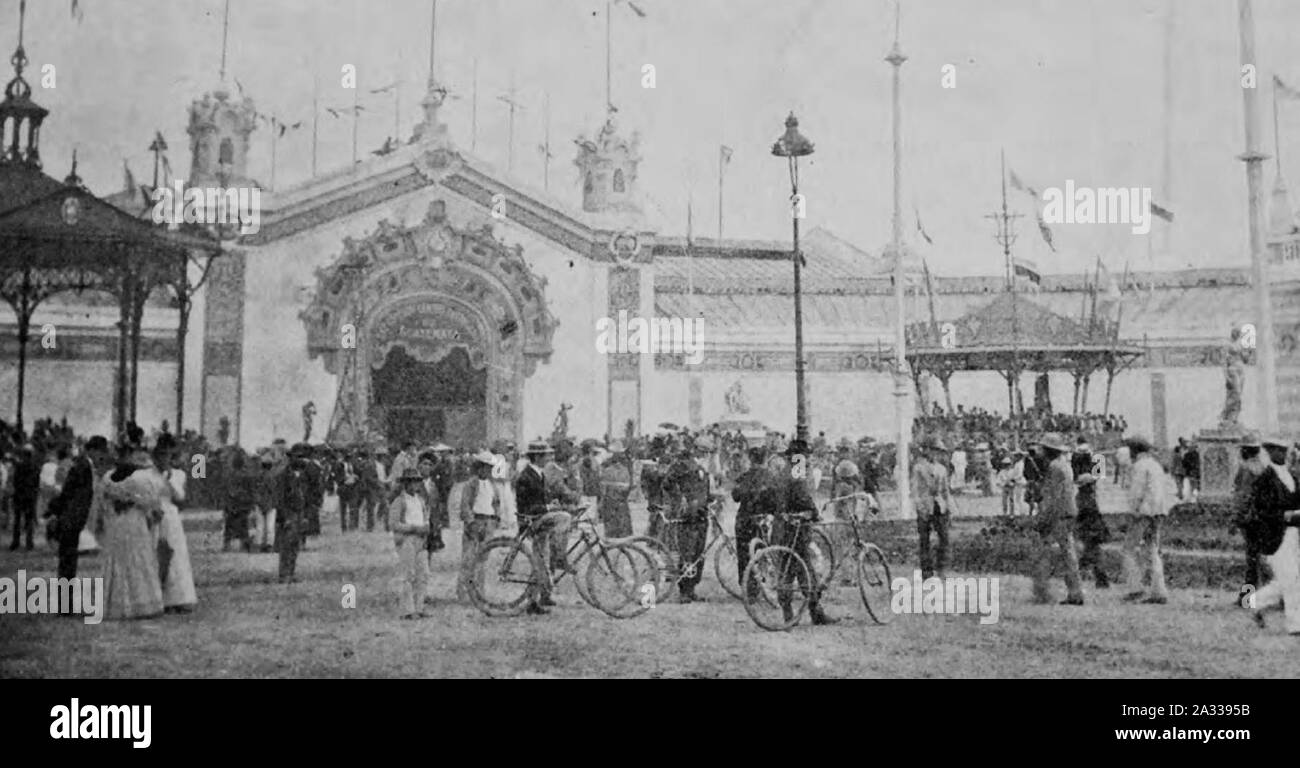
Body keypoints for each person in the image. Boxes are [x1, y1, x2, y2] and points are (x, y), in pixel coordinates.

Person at [88, 438, 164, 620]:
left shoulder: (107, 478)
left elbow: (101, 503)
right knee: (137, 559)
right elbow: (152, 504)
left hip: (115, 523)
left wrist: (106, 518)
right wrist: (153, 515)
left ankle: (115, 602)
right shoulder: (140, 478)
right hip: (133, 522)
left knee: (116, 560)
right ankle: (140, 603)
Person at [775, 439, 838, 625]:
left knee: (792, 569)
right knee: (801, 569)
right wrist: (815, 514)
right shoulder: (797, 469)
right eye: (806, 455)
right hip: (796, 526)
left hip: (783, 525)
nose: (808, 459)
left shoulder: (785, 470)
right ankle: (813, 612)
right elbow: (802, 494)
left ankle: (795, 613)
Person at [1248, 436, 1300, 633]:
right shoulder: (1265, 479)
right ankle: (1295, 623)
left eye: (1285, 449)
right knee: (1292, 579)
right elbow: (1262, 511)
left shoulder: (1291, 476)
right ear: (1270, 451)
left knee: (1285, 580)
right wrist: (1287, 516)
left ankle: (1254, 602)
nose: (1284, 453)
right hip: (1275, 536)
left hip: (1292, 534)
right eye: (1279, 450)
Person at [513, 442, 571, 614]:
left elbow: (539, 500)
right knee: (564, 518)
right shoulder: (526, 476)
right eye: (546, 455)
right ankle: (560, 554)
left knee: (540, 560)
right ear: (537, 457)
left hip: (539, 518)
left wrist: (550, 504)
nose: (549, 458)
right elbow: (526, 507)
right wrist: (547, 508)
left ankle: (538, 598)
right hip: (531, 520)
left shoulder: (538, 474)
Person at [1031, 432, 1086, 605]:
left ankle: (1043, 590)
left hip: (1059, 513)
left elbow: (1053, 497)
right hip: (1069, 510)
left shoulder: (1054, 467)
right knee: (1067, 552)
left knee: (1051, 551)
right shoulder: (1064, 465)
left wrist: (1045, 518)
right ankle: (1074, 592)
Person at [47, 436, 110, 581]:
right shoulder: (82, 467)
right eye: (101, 452)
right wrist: (57, 513)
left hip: (73, 520)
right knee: (67, 564)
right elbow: (67, 493)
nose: (101, 457)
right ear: (93, 450)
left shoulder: (84, 466)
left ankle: (66, 598)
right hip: (71, 520)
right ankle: (65, 600)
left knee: (68, 563)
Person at [148, 435, 198, 613]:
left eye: (167, 456)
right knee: (155, 554)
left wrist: (168, 479)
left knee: (175, 556)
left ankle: (177, 598)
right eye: (160, 456)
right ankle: (158, 598)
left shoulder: (178, 474)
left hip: (171, 515)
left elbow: (180, 497)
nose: (163, 460)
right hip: (154, 515)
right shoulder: (148, 475)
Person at [1120, 435, 1170, 604]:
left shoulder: (1139, 467)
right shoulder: (1155, 465)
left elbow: (1136, 492)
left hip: (1143, 512)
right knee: (1153, 549)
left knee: (1128, 549)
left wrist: (1132, 512)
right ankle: (1159, 590)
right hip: (1158, 511)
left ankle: (1135, 588)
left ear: (1134, 451)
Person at [662, 437, 712, 603]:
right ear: (695, 449)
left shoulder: (704, 467)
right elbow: (667, 483)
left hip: (702, 513)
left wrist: (711, 498)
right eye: (703, 451)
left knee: (699, 552)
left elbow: (705, 489)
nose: (705, 454)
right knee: (687, 552)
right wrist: (680, 498)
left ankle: (692, 588)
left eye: (707, 452)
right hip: (688, 515)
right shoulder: (681, 464)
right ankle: (684, 589)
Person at [731, 446, 778, 599]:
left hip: (744, 519)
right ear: (765, 459)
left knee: (744, 555)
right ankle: (764, 586)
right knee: (763, 553)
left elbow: (735, 496)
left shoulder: (745, 476)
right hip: (763, 520)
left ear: (751, 460)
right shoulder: (771, 476)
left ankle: (749, 589)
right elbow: (775, 501)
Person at [456, 451, 501, 603]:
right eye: (485, 468)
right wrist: (470, 522)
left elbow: (496, 503)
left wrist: (496, 518)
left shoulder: (492, 485)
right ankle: (463, 592)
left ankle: (479, 592)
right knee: (469, 558)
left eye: (490, 468)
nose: (487, 471)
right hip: (476, 521)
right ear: (479, 468)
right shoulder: (471, 484)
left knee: (483, 559)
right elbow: (465, 505)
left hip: (488, 522)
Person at [1232, 434, 1269, 602]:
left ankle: (1247, 597)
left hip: (1251, 519)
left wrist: (1236, 518)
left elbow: (1243, 496)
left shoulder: (1246, 469)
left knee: (1252, 560)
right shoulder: (1266, 467)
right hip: (1267, 518)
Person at [390, 468, 431, 619]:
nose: (415, 485)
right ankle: (407, 610)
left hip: (420, 539)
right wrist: (413, 528)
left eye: (417, 481)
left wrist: (426, 527)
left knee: (423, 574)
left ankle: (419, 607)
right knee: (408, 575)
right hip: (407, 539)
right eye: (412, 482)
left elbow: (426, 517)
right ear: (405, 484)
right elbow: (394, 524)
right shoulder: (399, 501)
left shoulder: (420, 500)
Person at [911, 437, 954, 580]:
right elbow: (916, 491)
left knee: (944, 538)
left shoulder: (942, 469)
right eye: (933, 450)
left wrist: (949, 507)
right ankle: (927, 573)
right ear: (926, 450)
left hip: (939, 506)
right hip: (925, 506)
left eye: (938, 452)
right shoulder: (918, 467)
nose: (935, 454)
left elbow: (945, 491)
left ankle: (942, 569)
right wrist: (919, 508)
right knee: (925, 541)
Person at [273, 443, 317, 584]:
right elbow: (280, 499)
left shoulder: (304, 475)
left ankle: (291, 573)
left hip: (300, 512)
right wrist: (284, 516)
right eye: (298, 457)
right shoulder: (283, 475)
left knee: (295, 545)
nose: (301, 460)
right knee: (286, 545)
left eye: (302, 457)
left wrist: (306, 515)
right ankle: (283, 574)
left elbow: (308, 496)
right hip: (288, 513)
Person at [1072, 437, 1110, 589]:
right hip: (1092, 499)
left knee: (1087, 540)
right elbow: (1099, 477)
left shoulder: (1074, 457)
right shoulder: (1098, 456)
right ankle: (1094, 572)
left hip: (1083, 498)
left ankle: (1084, 567)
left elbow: (1075, 478)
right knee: (1092, 542)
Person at [597, 440, 634, 539]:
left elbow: (602, 488)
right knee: (620, 527)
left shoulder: (607, 468)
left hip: (611, 500)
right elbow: (629, 486)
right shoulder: (624, 468)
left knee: (613, 528)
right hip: (618, 500)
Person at [223, 451, 257, 552]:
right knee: (243, 525)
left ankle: (227, 545)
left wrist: (226, 503)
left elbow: (226, 490)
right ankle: (244, 545)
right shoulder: (247, 475)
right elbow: (251, 490)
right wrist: (252, 503)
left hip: (232, 503)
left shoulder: (229, 476)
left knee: (229, 524)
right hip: (243, 503)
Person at [10, 445, 39, 551]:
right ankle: (29, 543)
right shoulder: (35, 467)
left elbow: (15, 481)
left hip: (19, 495)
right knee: (29, 521)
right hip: (30, 496)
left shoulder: (19, 466)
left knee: (17, 520)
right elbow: (36, 483)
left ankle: (15, 542)